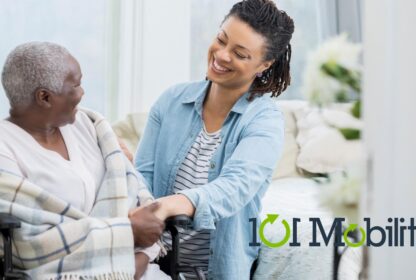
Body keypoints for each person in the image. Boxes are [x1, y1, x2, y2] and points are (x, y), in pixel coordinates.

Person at [134, 0, 295, 279]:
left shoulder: (264, 120)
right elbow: (142, 178)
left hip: (214, 269)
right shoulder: (171, 101)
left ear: (264, 64)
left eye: (240, 54)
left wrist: (170, 205)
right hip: (152, 261)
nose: (221, 55)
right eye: (221, 39)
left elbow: (235, 187)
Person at [0, 42, 169, 279]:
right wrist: (126, 232)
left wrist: (138, 260)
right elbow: (29, 244)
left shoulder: (90, 126)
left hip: (140, 268)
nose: (82, 93)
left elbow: (138, 199)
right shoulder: (4, 148)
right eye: (76, 84)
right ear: (44, 97)